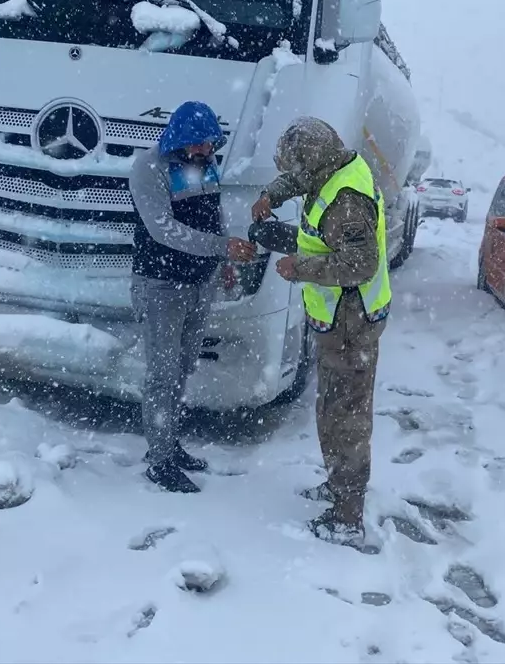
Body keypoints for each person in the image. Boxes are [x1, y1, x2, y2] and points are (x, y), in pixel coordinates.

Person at [250, 117, 391, 548]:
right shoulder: (333, 168)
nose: (296, 176)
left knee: (345, 418)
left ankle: (347, 518)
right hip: (338, 321)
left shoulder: (346, 200)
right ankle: (337, 486)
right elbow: (297, 180)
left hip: (352, 323)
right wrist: (269, 194)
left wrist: (300, 268)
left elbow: (360, 265)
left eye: (298, 167)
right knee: (331, 408)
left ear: (314, 162)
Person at [129, 101, 257, 493]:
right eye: (199, 145)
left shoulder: (204, 161)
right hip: (161, 285)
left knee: (183, 366)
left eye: (209, 144)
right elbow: (163, 230)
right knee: (162, 373)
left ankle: (170, 443)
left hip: (200, 283)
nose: (206, 151)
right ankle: (160, 460)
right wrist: (222, 247)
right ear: (179, 138)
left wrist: (224, 263)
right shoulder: (148, 168)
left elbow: (213, 209)